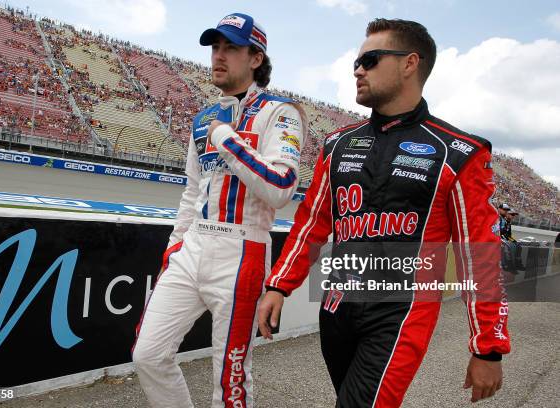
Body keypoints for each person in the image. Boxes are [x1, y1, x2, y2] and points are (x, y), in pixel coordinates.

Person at [258, 18, 510, 407]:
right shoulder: (338, 143)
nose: (358, 69)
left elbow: (478, 257)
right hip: (337, 306)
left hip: (401, 313)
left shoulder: (458, 153)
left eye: (371, 59)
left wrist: (487, 347)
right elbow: (312, 223)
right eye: (356, 62)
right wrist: (279, 285)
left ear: (410, 63)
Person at [132, 12, 306, 408]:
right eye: (215, 47)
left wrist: (227, 138)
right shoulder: (203, 119)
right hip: (192, 248)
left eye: (230, 47)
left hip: (242, 250)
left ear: (256, 58)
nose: (218, 56)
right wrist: (173, 250)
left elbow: (281, 188)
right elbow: (191, 194)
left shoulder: (281, 113)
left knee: (230, 384)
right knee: (147, 354)